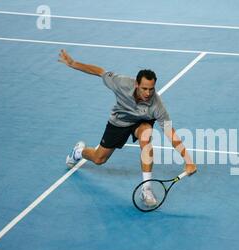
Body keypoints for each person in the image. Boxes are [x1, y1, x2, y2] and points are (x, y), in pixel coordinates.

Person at [58, 49, 197, 206]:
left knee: (146, 139)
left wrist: (188, 160)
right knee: (99, 159)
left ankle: (147, 189)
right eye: (144, 88)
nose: (148, 93)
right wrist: (73, 63)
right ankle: (79, 151)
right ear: (137, 84)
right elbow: (100, 72)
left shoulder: (157, 105)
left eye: (151, 89)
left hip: (141, 122)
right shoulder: (121, 83)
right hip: (119, 122)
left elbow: (170, 133)